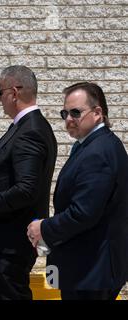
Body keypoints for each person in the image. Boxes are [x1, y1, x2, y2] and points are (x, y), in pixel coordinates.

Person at [0, 65, 57, 300]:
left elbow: (26, 190)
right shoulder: (26, 127)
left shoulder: (30, 131)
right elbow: (11, 183)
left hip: (13, 244)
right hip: (6, 243)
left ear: (13, 93)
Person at [27, 82, 128, 300]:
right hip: (88, 269)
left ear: (98, 113)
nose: (69, 119)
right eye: (65, 113)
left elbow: (83, 213)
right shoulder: (91, 145)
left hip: (91, 271)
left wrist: (44, 228)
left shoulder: (98, 152)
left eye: (76, 112)